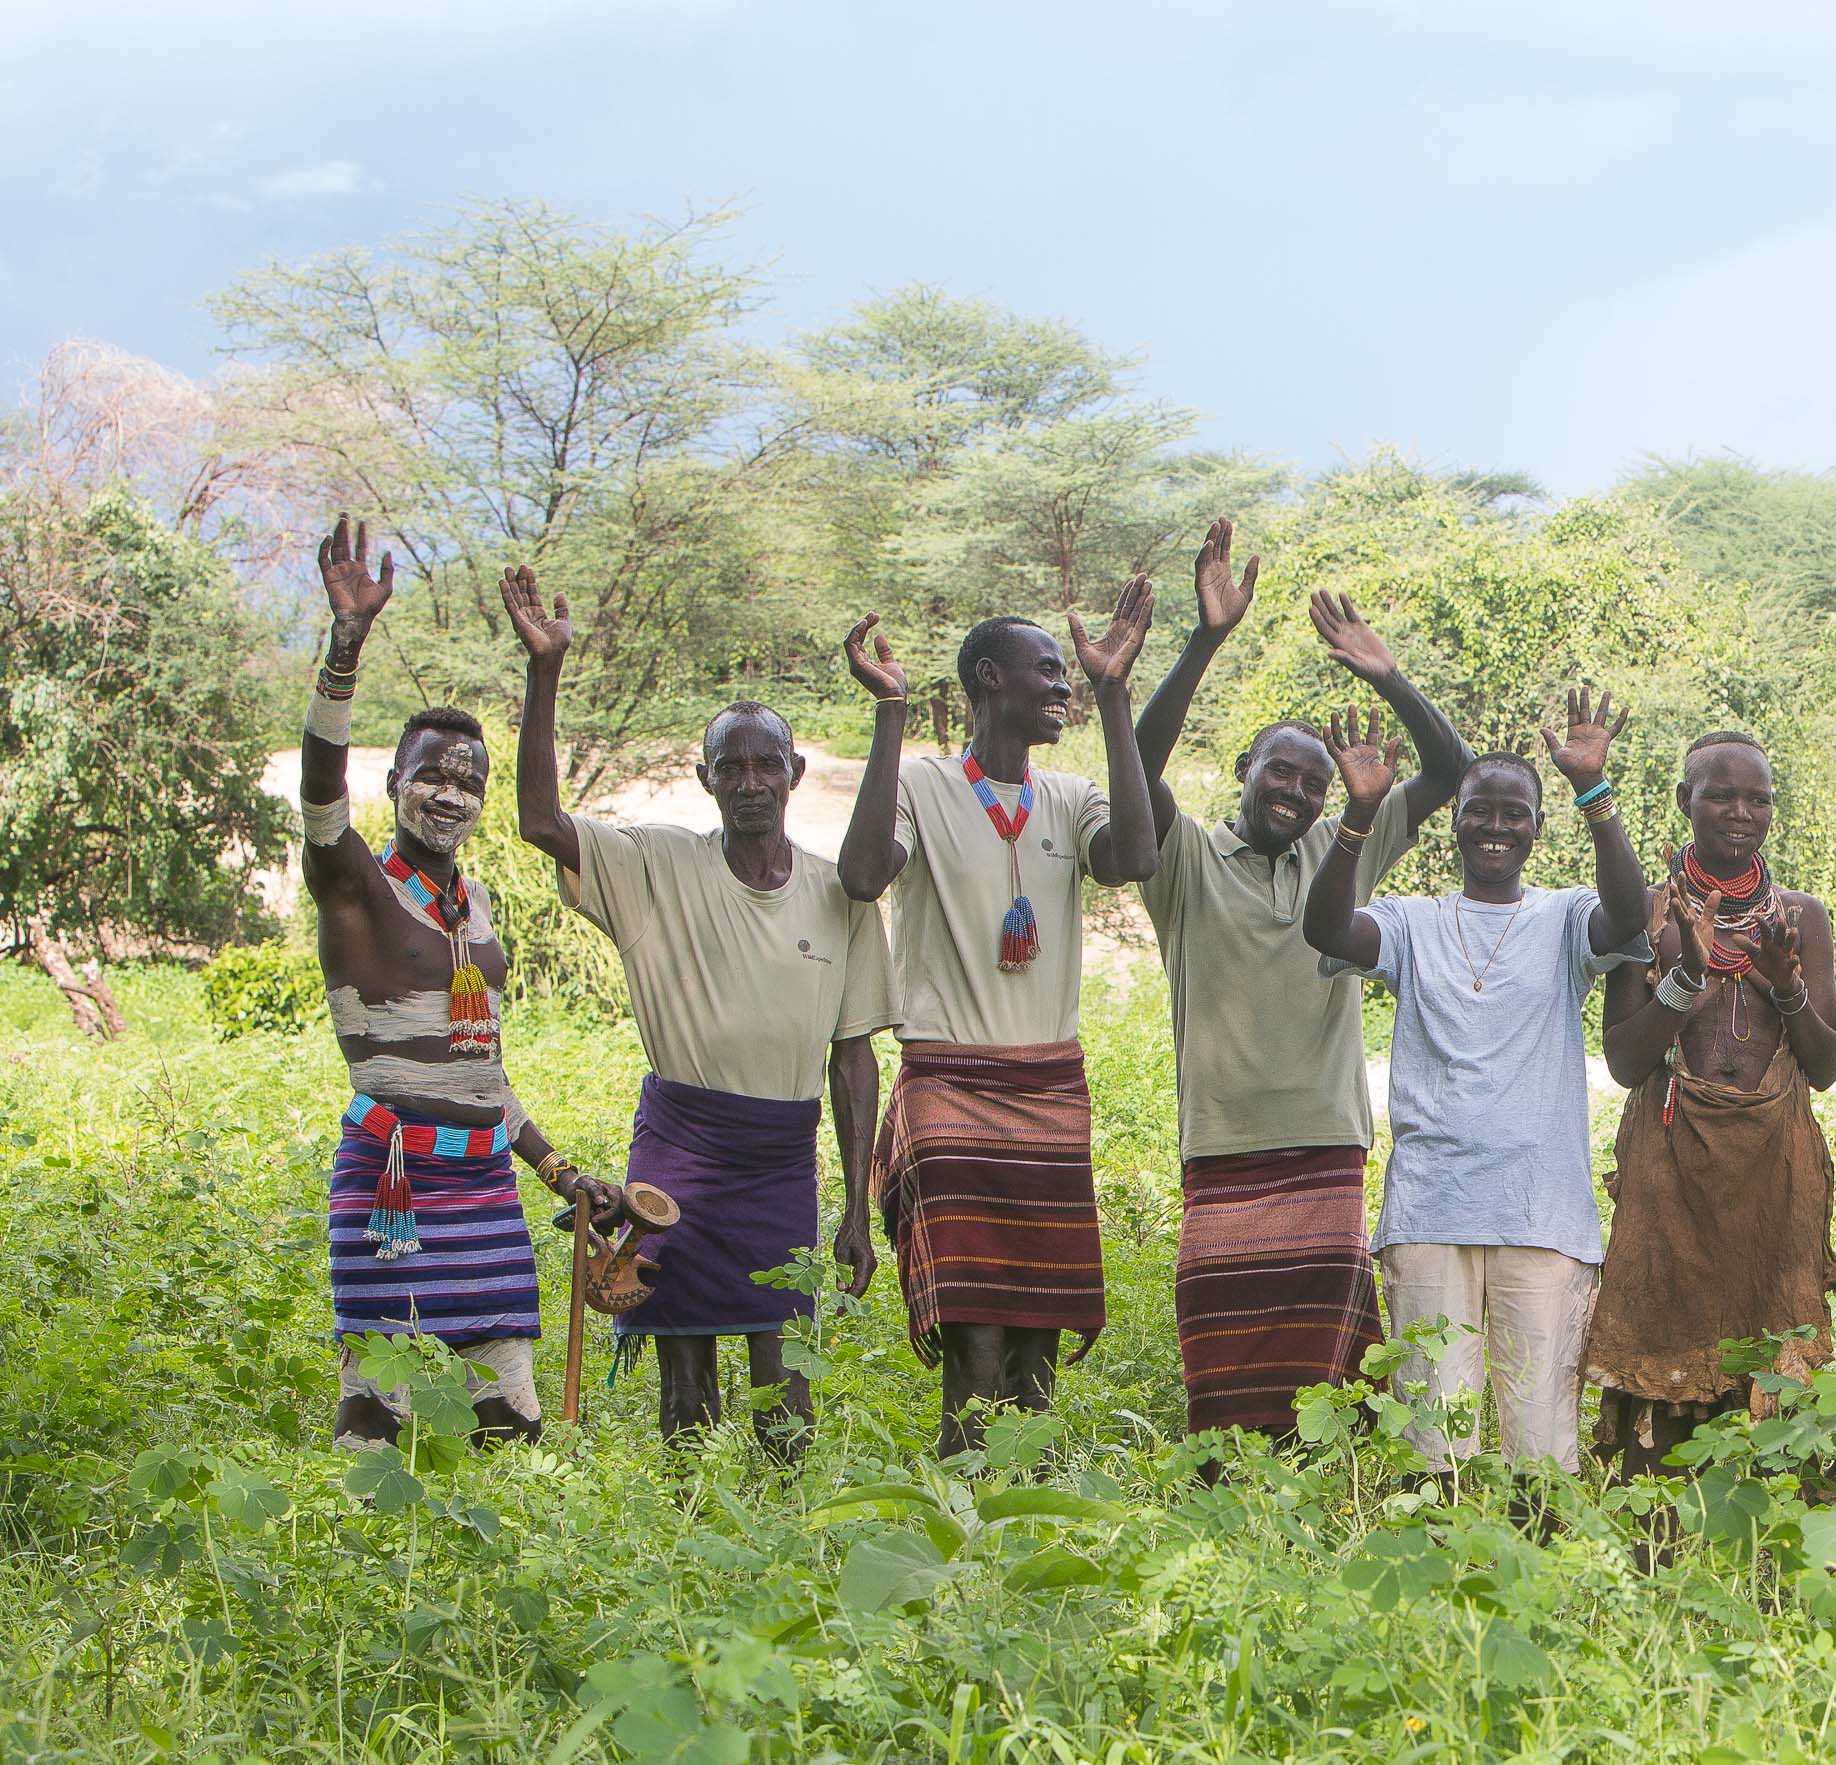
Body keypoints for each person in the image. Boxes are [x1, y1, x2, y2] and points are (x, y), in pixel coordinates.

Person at [503, 566, 890, 1454]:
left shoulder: (842, 895)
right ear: (706, 778)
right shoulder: (657, 867)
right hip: (680, 1157)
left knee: (785, 1380)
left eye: (766, 764)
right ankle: (688, 1537)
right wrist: (545, 673)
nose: (751, 781)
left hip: (783, 1162)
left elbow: (854, 1057)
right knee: (685, 1381)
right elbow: (539, 821)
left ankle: (784, 1537)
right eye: (731, 766)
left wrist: (857, 1210)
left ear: (794, 773)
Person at [1129, 523, 1473, 1438]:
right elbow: (1138, 767)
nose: (1295, 789)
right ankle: (1223, 1506)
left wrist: (1386, 675)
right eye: (1277, 770)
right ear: (1242, 774)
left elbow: (1452, 771)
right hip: (1223, 1147)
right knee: (1224, 1360)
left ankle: (1324, 1512)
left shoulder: (1343, 844)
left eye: (1314, 779)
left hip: (1324, 1145)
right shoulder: (1189, 861)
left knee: (1329, 1376)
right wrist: (1205, 639)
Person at [294, 518, 625, 1448]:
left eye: (467, 780)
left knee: (509, 1396)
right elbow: (320, 787)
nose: (450, 794)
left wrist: (557, 1169)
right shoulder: (354, 886)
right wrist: (346, 642)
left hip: (482, 1185)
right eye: (430, 775)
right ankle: (363, 1563)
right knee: (378, 1392)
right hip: (391, 1180)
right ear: (394, 781)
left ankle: (502, 1566)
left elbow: (484, 1074)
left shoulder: (473, 910)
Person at [834, 581, 1163, 1454]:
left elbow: (1133, 856)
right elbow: (864, 874)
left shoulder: (1072, 794)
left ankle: (1023, 1517)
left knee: (1038, 1341)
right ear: (989, 679)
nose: (1062, 688)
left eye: (1068, 677)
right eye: (1047, 671)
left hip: (1049, 1089)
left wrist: (1116, 692)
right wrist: (892, 714)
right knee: (976, 1340)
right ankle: (964, 1505)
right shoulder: (921, 785)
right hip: (952, 1087)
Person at [1300, 689, 1654, 1470]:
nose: (1496, 826)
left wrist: (1594, 791)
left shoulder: (1567, 917)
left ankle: (1541, 1576)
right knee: (1437, 1438)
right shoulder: (1409, 920)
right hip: (1432, 1208)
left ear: (1536, 826)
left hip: (1541, 1213)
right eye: (1479, 810)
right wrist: (1359, 814)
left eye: (1515, 812)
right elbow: (1326, 929)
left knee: (1541, 1437)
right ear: (1454, 819)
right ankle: (1443, 1582)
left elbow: (1630, 920)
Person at [1583, 730, 1836, 1464]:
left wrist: (1788, 986)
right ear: (1684, 801)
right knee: (1666, 1369)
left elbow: (1826, 1066)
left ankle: (1761, 1557)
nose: (1742, 811)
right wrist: (1685, 980)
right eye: (1721, 794)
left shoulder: (1803, 915)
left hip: (1775, 1163)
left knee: (1779, 1373)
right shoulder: (1645, 912)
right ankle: (1658, 1554)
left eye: (1758, 798)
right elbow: (1624, 1061)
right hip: (1670, 1166)